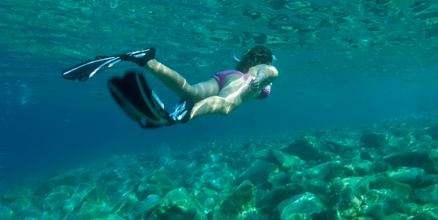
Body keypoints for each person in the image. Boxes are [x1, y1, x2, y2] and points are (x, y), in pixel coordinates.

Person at [61, 46, 278, 128]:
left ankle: (146, 60)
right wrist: (259, 78)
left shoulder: (236, 70)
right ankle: (181, 116)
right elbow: (270, 72)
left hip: (226, 76)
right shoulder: (264, 68)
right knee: (225, 105)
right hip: (243, 82)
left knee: (190, 91)